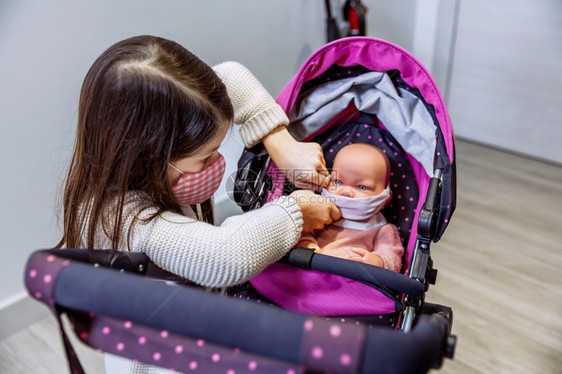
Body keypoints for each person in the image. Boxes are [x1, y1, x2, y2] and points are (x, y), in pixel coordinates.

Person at [55, 35, 339, 373]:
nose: (217, 163)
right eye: (205, 159)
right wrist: (296, 210)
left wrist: (280, 142)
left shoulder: (137, 162)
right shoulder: (121, 218)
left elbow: (230, 75)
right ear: (149, 157)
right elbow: (227, 255)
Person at [295, 143, 403, 271]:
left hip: (351, 283)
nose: (346, 192)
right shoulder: (318, 211)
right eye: (338, 182)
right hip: (312, 272)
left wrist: (377, 261)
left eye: (362, 187)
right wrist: (306, 244)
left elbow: (392, 256)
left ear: (385, 199)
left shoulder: (381, 228)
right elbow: (298, 230)